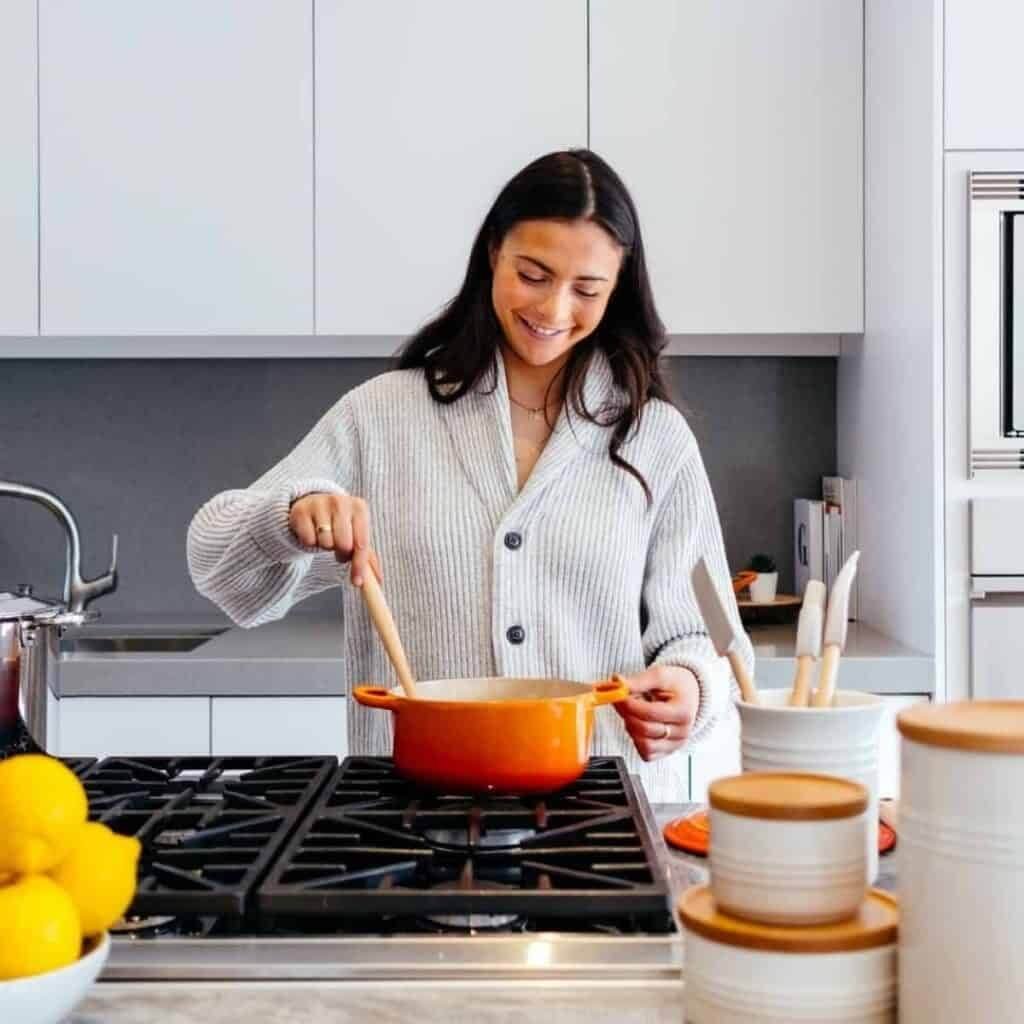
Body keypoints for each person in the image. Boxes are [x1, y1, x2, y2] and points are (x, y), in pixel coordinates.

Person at [186, 149, 753, 802]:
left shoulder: (655, 438)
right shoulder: (384, 416)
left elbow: (705, 636)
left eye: (587, 289)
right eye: (533, 274)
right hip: (407, 816)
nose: (554, 308)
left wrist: (688, 687)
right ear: (493, 253)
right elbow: (216, 564)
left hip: (594, 819)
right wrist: (289, 516)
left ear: (618, 287)